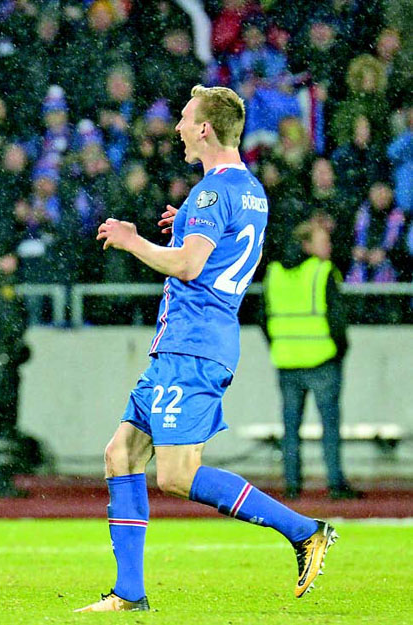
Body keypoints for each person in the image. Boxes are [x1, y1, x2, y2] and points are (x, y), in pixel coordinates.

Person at [76, 85, 337, 613]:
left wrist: (132, 240)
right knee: (120, 454)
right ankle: (128, 593)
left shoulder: (211, 194)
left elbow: (190, 266)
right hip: (188, 343)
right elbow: (218, 247)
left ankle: (304, 530)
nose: (177, 128)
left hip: (192, 346)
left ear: (204, 129)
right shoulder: (249, 190)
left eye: (184, 119)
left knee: (176, 474)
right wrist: (185, 226)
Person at [262, 219, 359, 500]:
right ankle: (335, 483)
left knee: (290, 428)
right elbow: (337, 318)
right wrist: (339, 350)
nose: (329, 247)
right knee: (330, 426)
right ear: (306, 245)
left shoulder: (274, 272)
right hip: (322, 360)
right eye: (323, 242)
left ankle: (292, 485)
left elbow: (263, 317)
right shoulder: (322, 271)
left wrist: (280, 345)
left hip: (286, 361)